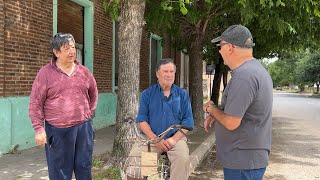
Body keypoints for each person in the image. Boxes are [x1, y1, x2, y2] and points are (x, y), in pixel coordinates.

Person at [203, 25, 273, 180]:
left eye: (220, 46)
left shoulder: (244, 76)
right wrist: (219, 112)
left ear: (230, 48)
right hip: (246, 159)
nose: (219, 51)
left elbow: (231, 122)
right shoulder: (255, 70)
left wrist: (212, 109)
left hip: (243, 162)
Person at [29, 33, 98, 180]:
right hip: (58, 131)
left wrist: (89, 113)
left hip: (83, 129)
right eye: (66, 48)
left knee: (84, 169)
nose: (72, 51)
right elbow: (35, 103)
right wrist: (38, 129)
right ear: (56, 52)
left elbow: (93, 93)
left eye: (73, 47)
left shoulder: (84, 72)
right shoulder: (45, 73)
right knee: (60, 173)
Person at [129, 58, 194, 180]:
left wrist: (173, 140)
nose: (169, 75)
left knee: (182, 159)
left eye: (171, 72)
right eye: (165, 71)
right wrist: (155, 140)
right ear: (157, 74)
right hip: (151, 137)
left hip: (175, 138)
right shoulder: (147, 94)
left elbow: (188, 121)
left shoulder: (182, 94)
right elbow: (142, 120)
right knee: (135, 162)